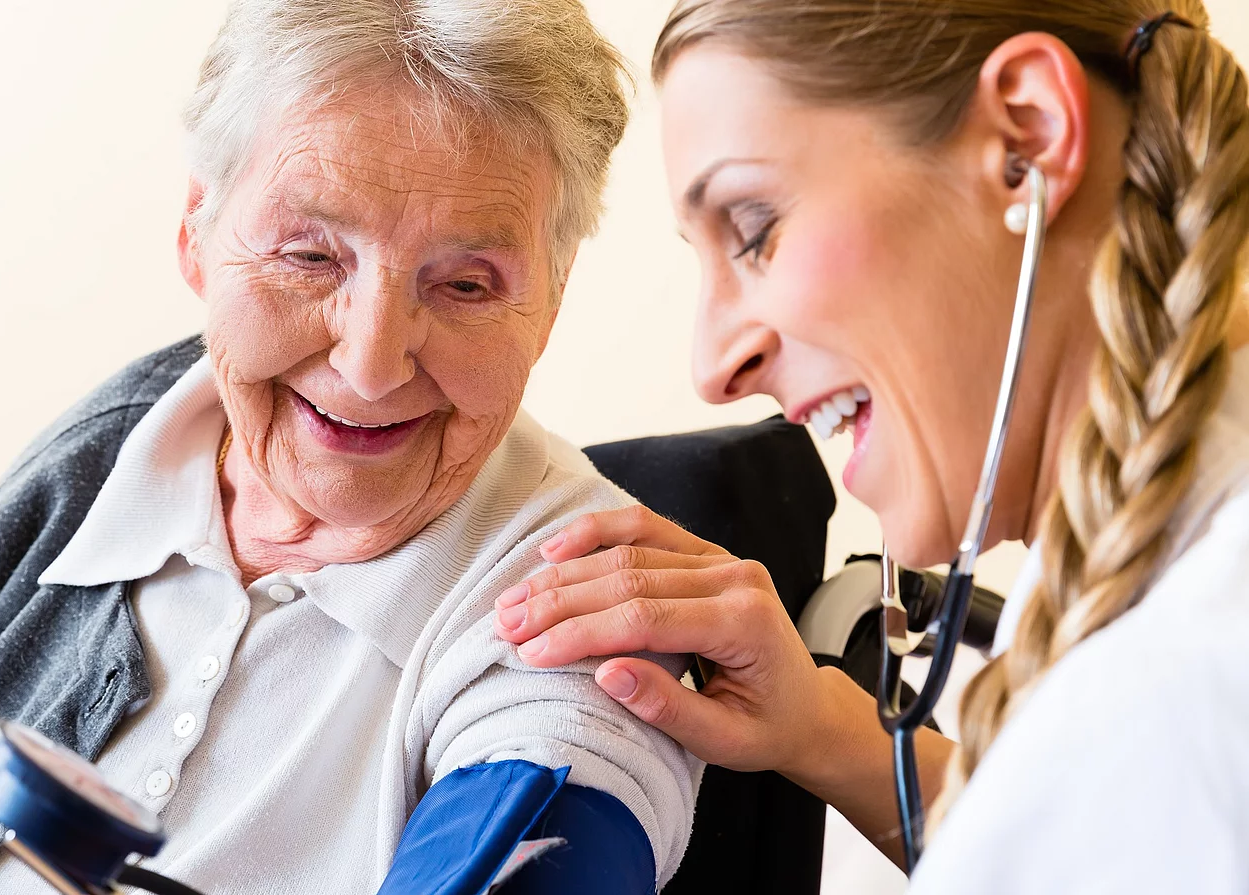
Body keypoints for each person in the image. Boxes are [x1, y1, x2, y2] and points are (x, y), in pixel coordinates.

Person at [0, 2, 700, 893]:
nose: (373, 359)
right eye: (308, 253)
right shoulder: (128, 440)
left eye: (465, 282)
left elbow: (555, 828)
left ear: (550, 305)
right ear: (196, 239)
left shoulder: (579, 594)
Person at [496, 0, 1249, 890]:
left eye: (755, 229)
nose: (713, 368)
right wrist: (815, 722)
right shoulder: (1148, 583)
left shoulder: (1201, 662)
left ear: (1029, 139)